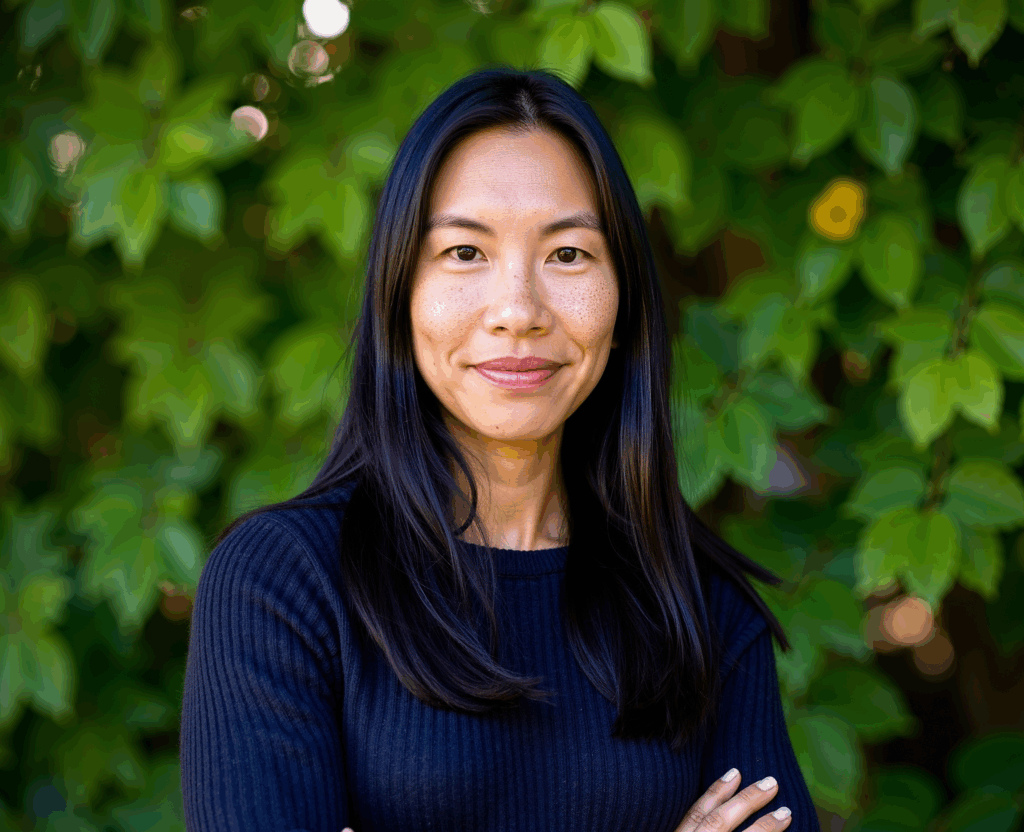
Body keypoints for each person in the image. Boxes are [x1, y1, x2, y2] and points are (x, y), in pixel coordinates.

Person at [179, 67, 821, 832]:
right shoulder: (282, 587)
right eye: (463, 253)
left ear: (624, 303)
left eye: (569, 255)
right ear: (399, 292)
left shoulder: (695, 601)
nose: (518, 310)